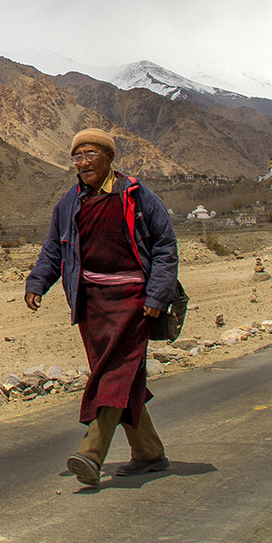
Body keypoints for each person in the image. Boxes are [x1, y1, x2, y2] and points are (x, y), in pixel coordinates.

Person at [25, 128, 179, 487]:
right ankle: (149, 453)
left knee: (111, 374)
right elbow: (54, 249)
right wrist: (37, 283)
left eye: (90, 154)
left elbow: (165, 247)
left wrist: (157, 296)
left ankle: (91, 453)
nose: (82, 163)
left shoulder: (137, 197)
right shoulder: (69, 203)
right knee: (120, 377)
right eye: (76, 157)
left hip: (133, 302)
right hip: (91, 302)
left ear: (109, 158)